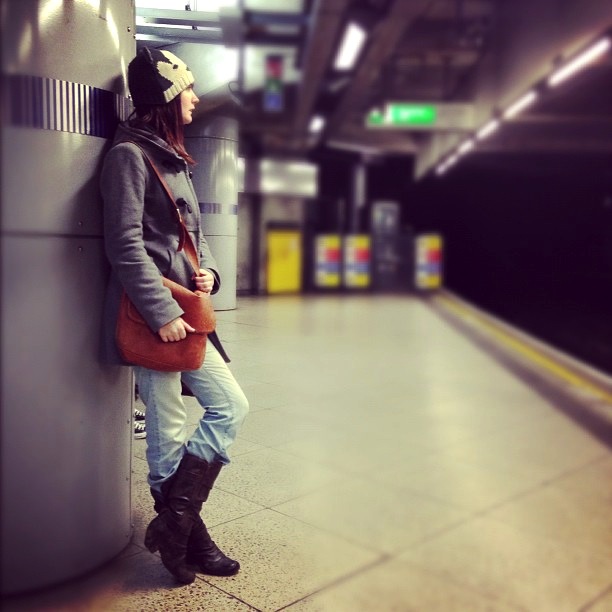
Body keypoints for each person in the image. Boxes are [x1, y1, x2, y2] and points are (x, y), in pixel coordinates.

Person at [100, 47, 249, 585]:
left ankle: (175, 527)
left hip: (189, 310)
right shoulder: (129, 157)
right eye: (187, 89)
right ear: (164, 94)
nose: (194, 97)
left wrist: (208, 273)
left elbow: (197, 237)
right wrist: (160, 310)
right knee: (166, 426)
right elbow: (124, 242)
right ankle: (189, 537)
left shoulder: (173, 156)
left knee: (230, 406)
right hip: (156, 316)